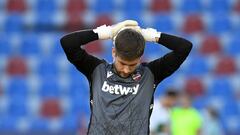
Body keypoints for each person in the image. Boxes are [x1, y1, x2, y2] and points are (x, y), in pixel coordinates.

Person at [60, 20, 192, 135]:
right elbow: (67, 43)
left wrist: (152, 36)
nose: (126, 69)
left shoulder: (151, 73)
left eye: (132, 65)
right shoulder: (97, 70)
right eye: (122, 63)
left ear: (140, 58)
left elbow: (184, 47)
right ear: (113, 52)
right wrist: (108, 32)